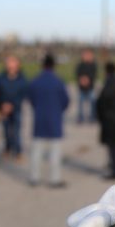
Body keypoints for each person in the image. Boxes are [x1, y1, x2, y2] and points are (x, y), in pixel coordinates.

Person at [28, 54, 70, 187]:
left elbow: (31, 99)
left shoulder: (35, 81)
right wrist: (58, 110)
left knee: (36, 150)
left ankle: (34, 178)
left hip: (39, 119)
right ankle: (54, 179)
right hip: (54, 119)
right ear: (53, 65)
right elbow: (66, 100)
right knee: (55, 152)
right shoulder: (58, 81)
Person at [0, 55, 28, 160]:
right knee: (5, 130)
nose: (11, 64)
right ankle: (7, 148)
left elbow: (23, 94)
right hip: (3, 108)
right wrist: (3, 104)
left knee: (16, 130)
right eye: (9, 62)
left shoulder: (22, 78)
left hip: (16, 108)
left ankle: (18, 151)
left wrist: (12, 104)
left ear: (18, 64)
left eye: (13, 62)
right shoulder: (0, 78)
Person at [75, 49, 97, 123]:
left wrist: (88, 80)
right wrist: (82, 79)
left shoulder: (93, 65)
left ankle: (92, 117)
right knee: (80, 103)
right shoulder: (80, 65)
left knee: (93, 103)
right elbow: (78, 74)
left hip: (90, 87)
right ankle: (80, 117)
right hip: (82, 87)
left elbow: (94, 74)